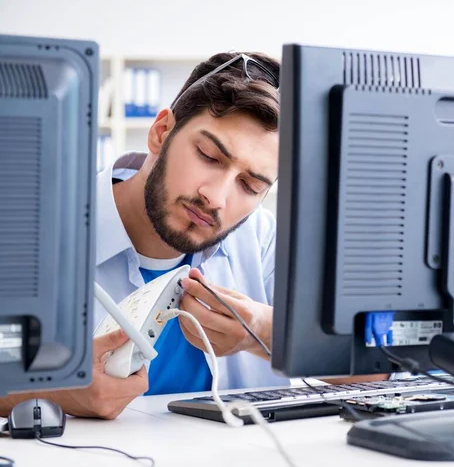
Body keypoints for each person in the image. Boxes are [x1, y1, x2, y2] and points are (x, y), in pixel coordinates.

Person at [0, 51, 383, 420]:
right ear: (161, 131)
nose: (215, 198)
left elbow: (376, 368)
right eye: (209, 156)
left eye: (250, 186)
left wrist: (261, 333)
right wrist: (52, 391)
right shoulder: (32, 228)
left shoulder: (262, 240)